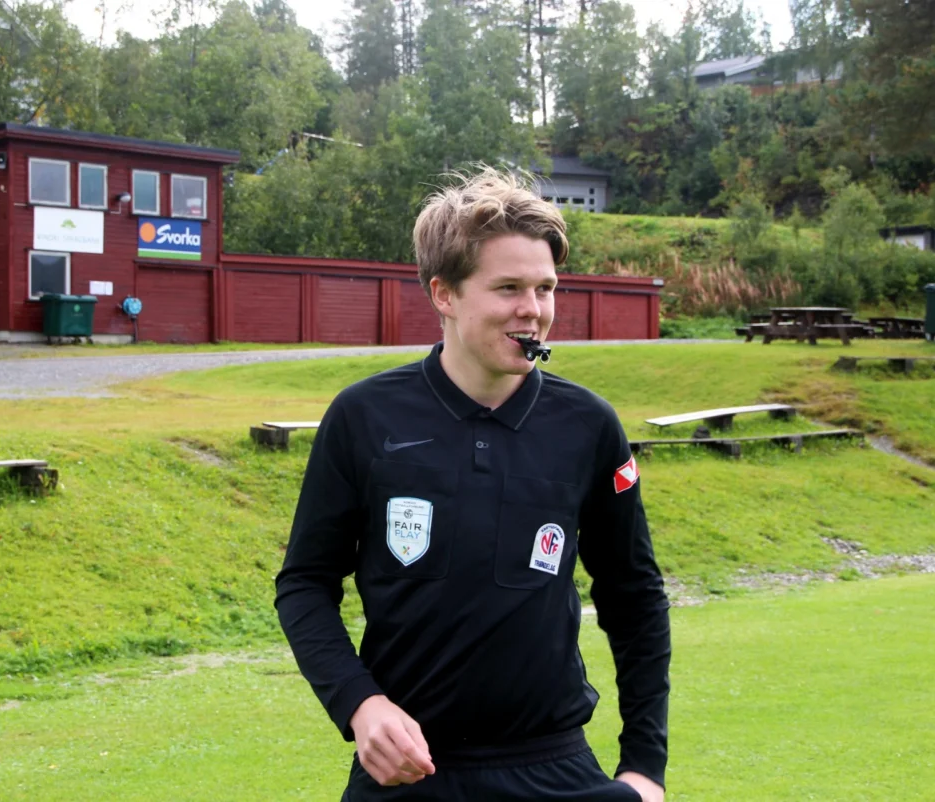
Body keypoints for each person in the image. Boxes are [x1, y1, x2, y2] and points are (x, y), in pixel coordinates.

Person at [274, 168, 671, 801]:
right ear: (445, 294)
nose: (533, 310)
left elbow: (634, 596)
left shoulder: (589, 425)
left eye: (545, 288)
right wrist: (360, 703)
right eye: (508, 287)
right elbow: (303, 584)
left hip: (556, 767)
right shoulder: (363, 417)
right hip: (410, 775)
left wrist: (646, 765)